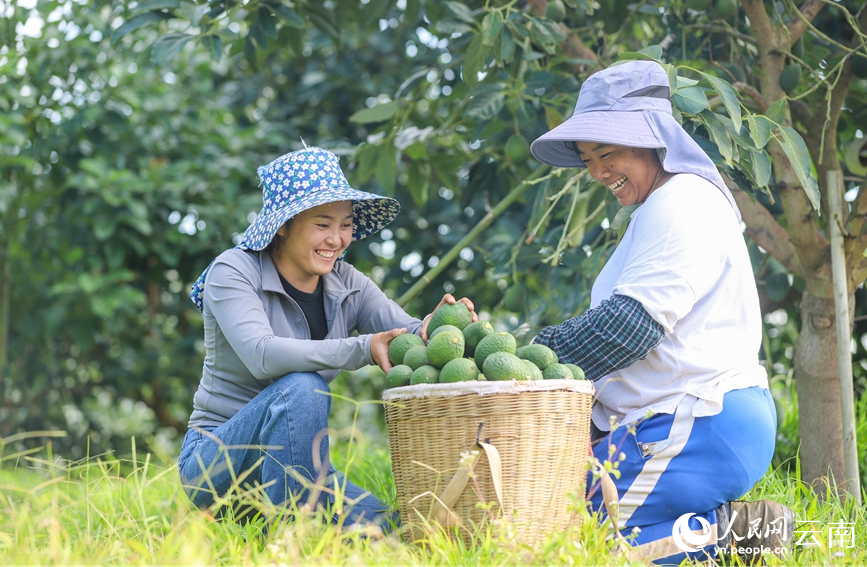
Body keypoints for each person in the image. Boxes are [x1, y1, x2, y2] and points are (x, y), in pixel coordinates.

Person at [528, 60, 793, 564]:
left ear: (654, 140)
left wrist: (532, 360)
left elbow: (629, 327)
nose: (596, 171)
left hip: (697, 417)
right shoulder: (656, 210)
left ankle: (734, 541)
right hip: (675, 421)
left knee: (576, 535)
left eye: (606, 152)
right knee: (549, 512)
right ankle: (733, 536)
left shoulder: (682, 202)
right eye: (587, 158)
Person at [179, 146, 475, 532]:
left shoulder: (347, 282)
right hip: (216, 466)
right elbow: (261, 354)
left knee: (401, 534)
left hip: (298, 470)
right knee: (303, 386)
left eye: (346, 224)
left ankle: (299, 524)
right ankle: (293, 542)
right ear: (283, 224)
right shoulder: (233, 271)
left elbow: (405, 335)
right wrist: (362, 348)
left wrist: (439, 327)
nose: (337, 239)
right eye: (322, 224)